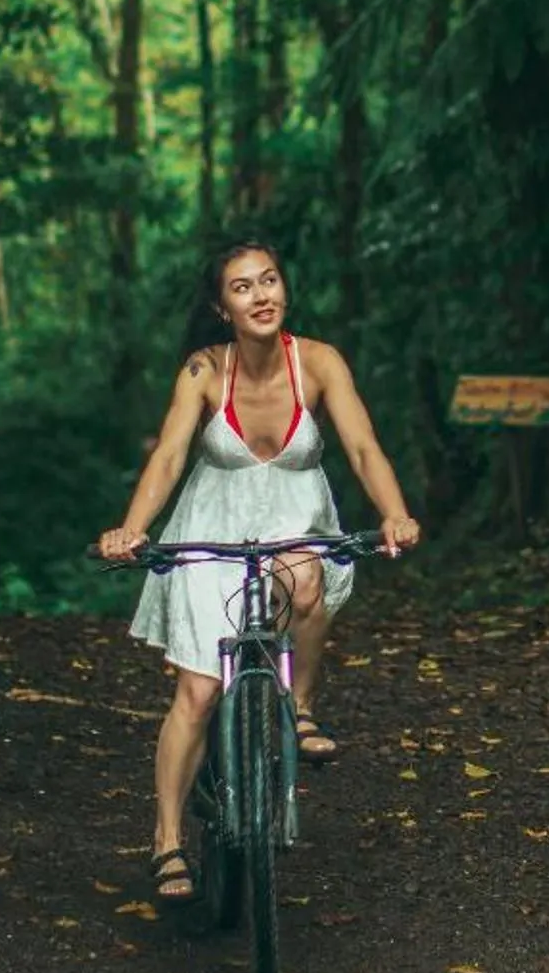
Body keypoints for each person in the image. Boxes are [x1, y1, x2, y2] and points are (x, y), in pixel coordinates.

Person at [96, 241, 423, 900]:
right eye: (242, 287)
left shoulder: (320, 361)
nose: (261, 295)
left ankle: (299, 710)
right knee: (196, 690)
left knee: (306, 577)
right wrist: (133, 528)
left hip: (294, 520)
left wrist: (394, 513)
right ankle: (166, 839)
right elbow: (167, 457)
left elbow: (362, 446)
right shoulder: (202, 370)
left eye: (269, 279)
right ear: (223, 307)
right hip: (209, 527)